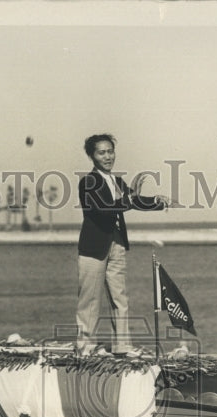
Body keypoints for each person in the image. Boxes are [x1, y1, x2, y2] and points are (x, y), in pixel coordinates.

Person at [76, 133, 171, 355]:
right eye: (102, 152)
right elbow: (103, 208)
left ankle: (122, 346)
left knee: (120, 298)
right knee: (89, 299)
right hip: (94, 246)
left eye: (110, 151)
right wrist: (128, 200)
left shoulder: (117, 181)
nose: (108, 156)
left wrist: (157, 201)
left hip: (116, 243)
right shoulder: (88, 182)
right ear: (92, 156)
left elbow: (133, 201)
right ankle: (85, 347)